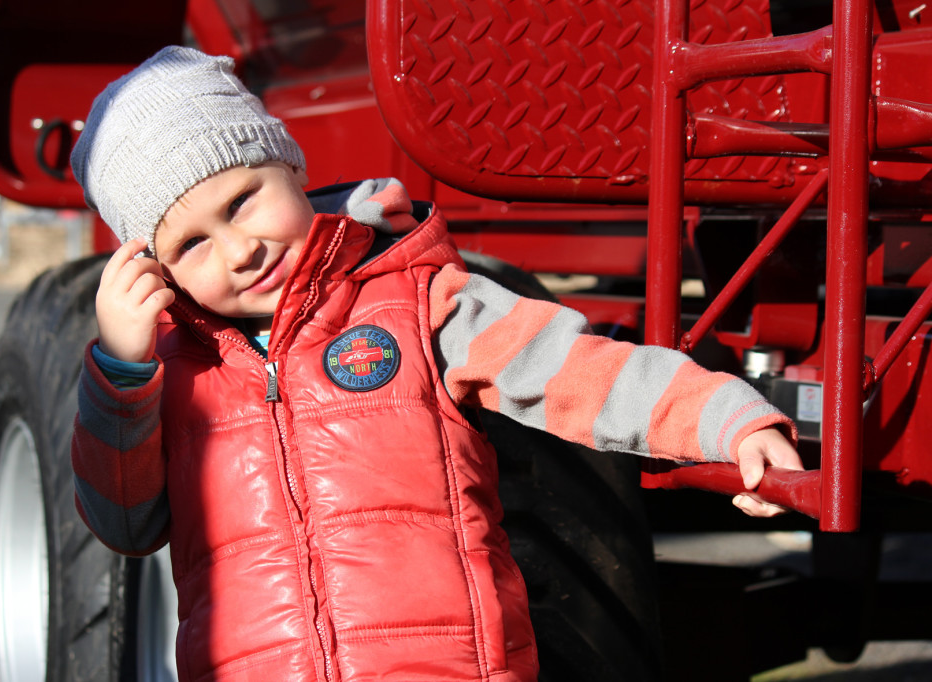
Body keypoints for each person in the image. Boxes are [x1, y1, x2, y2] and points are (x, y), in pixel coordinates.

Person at [70, 45, 803, 682]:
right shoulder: (168, 373)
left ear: (290, 168)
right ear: (153, 267)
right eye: (191, 244)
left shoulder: (418, 302)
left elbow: (580, 373)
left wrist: (725, 420)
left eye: (242, 201)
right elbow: (127, 523)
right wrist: (121, 376)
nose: (239, 250)